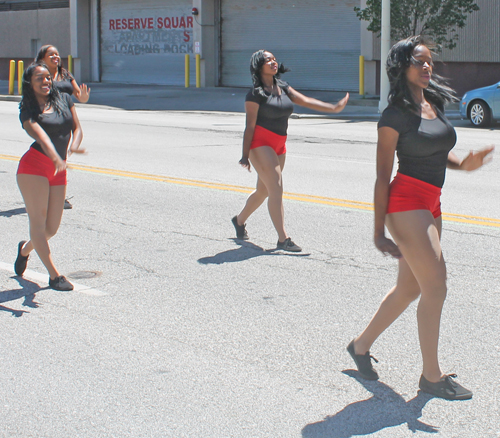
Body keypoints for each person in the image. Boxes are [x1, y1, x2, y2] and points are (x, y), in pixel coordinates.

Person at [347, 36, 494, 400]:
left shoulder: (433, 103)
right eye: (419, 62)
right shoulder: (393, 115)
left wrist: (464, 163)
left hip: (432, 203)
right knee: (437, 286)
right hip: (406, 203)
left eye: (430, 61)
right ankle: (431, 376)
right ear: (402, 66)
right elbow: (383, 176)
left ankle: (360, 346)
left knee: (411, 288)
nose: (427, 67)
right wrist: (379, 231)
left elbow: (435, 151)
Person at [232, 50, 349, 251]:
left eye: (274, 59)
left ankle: (239, 221)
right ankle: (282, 238)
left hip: (279, 144)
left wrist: (333, 108)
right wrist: (245, 155)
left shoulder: (283, 87)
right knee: (276, 188)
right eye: (268, 60)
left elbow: (305, 101)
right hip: (260, 143)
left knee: (264, 191)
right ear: (259, 66)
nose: (273, 62)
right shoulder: (254, 94)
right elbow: (249, 126)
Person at [14, 62, 85, 291]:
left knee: (51, 229)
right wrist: (54, 154)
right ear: (30, 84)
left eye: (47, 78)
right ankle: (54, 276)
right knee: (38, 222)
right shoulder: (28, 106)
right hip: (34, 167)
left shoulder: (63, 99)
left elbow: (77, 127)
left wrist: (73, 147)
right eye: (39, 79)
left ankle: (24, 249)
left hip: (58, 168)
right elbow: (36, 131)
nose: (45, 81)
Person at [36, 44, 91, 209]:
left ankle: (57, 195)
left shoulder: (65, 74)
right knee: (49, 155)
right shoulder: (41, 75)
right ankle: (45, 193)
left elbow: (78, 95)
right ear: (42, 59)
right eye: (51, 55)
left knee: (61, 154)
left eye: (57, 54)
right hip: (48, 116)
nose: (56, 57)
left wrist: (83, 97)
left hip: (66, 110)